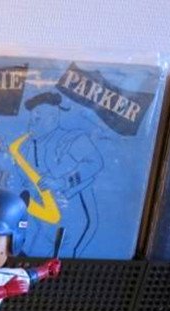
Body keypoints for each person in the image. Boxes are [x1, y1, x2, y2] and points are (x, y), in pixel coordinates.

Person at [23, 92, 103, 258]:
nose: (31, 123)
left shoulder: (73, 139)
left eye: (37, 119)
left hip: (73, 221)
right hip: (46, 223)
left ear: (52, 118)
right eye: (31, 119)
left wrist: (62, 183)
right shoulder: (33, 146)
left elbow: (95, 163)